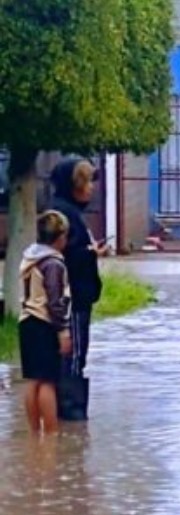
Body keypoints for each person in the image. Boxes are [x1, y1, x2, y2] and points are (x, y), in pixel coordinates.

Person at [50, 158, 104, 420]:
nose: (91, 188)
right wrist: (89, 253)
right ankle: (70, 416)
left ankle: (66, 421)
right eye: (87, 182)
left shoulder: (69, 212)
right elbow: (60, 257)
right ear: (75, 184)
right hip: (72, 299)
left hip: (78, 297)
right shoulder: (63, 214)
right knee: (72, 357)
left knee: (74, 356)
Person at [18, 211, 73, 435]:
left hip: (26, 322)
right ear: (60, 237)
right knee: (48, 381)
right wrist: (63, 331)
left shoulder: (29, 258)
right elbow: (55, 301)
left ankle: (33, 435)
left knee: (33, 380)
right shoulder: (53, 264)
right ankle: (51, 436)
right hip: (44, 324)